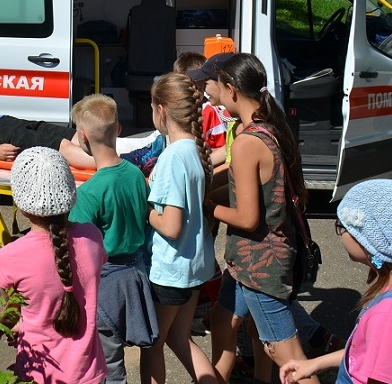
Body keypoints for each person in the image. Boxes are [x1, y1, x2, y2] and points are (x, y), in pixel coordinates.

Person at [205, 53, 318, 384]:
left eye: (217, 88)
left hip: (261, 266)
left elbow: (248, 217)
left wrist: (207, 206)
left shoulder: (246, 142)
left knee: (290, 358)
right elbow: (245, 190)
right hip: (246, 261)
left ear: (231, 89)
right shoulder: (267, 126)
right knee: (222, 320)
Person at [280, 179, 392, 384]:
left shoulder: (390, 316)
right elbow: (369, 352)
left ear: (368, 239)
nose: (340, 233)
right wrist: (315, 364)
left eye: (342, 226)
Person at [0, 146, 107, 384]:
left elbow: (10, 314)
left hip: (39, 373)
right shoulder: (92, 237)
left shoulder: (10, 256)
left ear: (20, 204)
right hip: (90, 372)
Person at [68, 94, 158, 384]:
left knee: (108, 363)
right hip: (136, 273)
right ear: (119, 128)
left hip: (105, 283)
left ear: (82, 137)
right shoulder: (135, 175)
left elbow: (80, 252)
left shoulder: (89, 193)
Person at [140, 71, 218, 384]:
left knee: (153, 343)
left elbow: (170, 226)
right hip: (194, 265)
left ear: (161, 110)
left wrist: (146, 209)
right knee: (180, 337)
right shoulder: (196, 151)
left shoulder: (172, 156)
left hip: (170, 270)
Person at [0, 106, 160, 169]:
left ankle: (144, 145)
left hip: (0, 122)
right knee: (62, 147)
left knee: (73, 136)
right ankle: (130, 161)